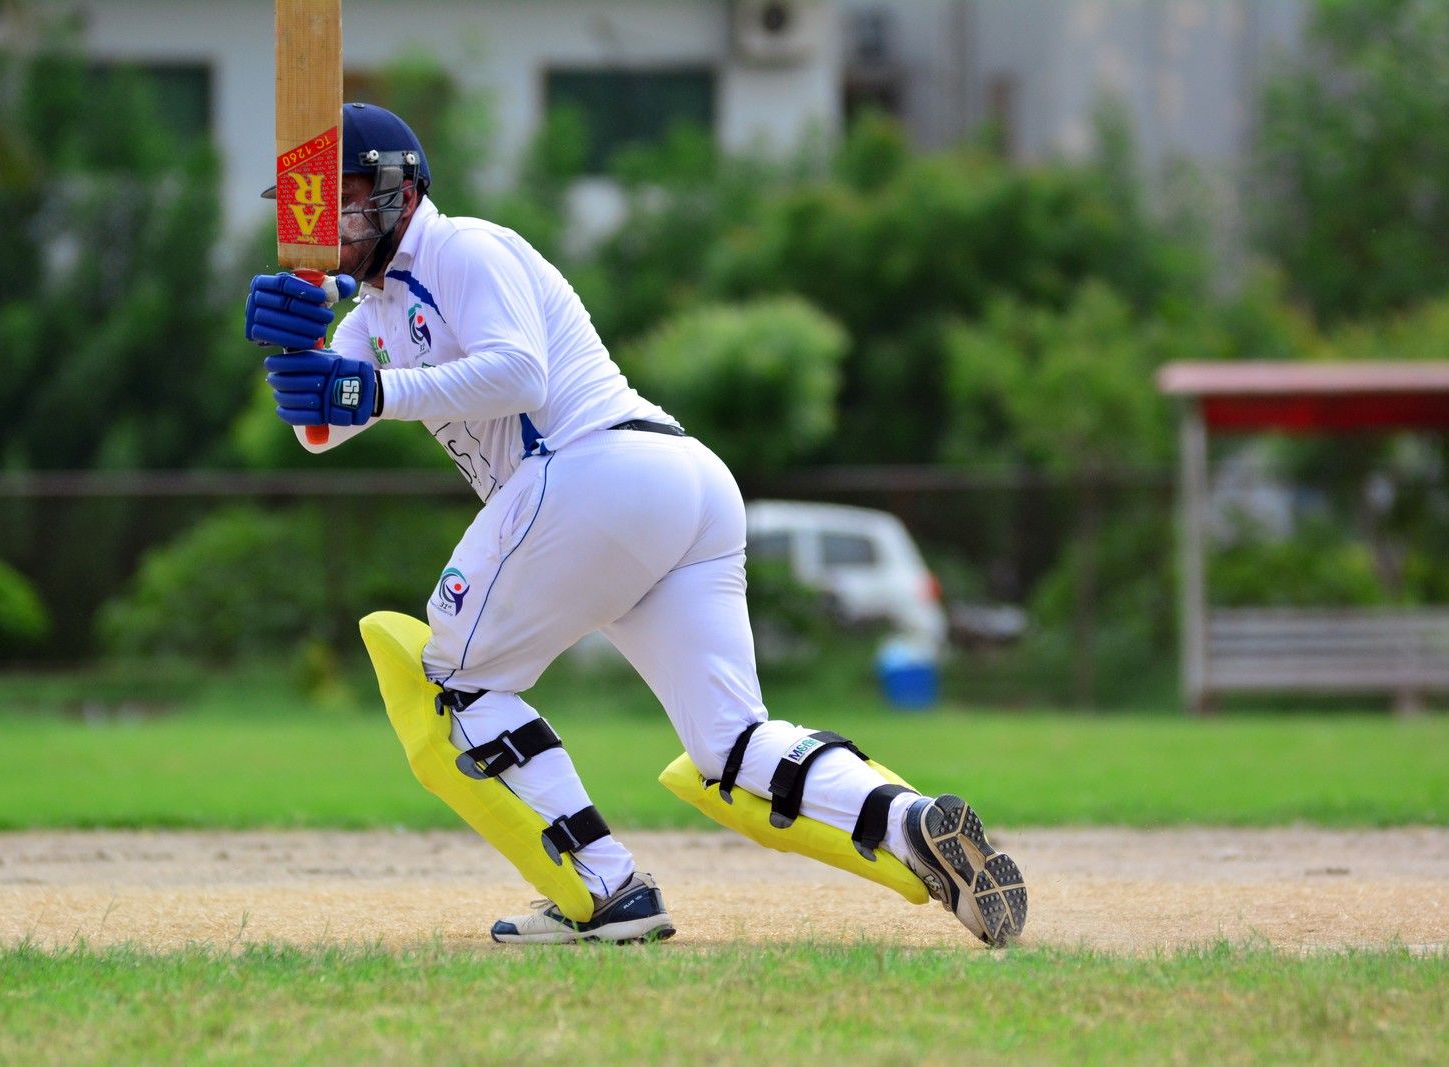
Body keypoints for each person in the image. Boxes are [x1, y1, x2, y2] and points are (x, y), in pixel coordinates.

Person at [245, 102, 1026, 946]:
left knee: (454, 684)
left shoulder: (462, 247)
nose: (327, 222)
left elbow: (519, 373)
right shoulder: (370, 316)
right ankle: (910, 821)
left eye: (345, 196)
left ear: (402, 191)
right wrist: (297, 345)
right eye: (312, 206)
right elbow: (320, 429)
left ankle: (605, 885)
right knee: (732, 745)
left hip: (596, 468)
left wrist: (375, 389)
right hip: (675, 485)